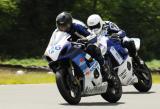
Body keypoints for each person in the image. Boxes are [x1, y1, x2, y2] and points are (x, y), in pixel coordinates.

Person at [55, 12, 116, 83]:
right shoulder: (58, 33)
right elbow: (55, 42)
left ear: (69, 24)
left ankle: (104, 69)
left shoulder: (77, 26)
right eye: (60, 25)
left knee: (93, 48)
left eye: (64, 25)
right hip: (71, 49)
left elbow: (92, 35)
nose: (62, 27)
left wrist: (86, 39)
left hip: (84, 45)